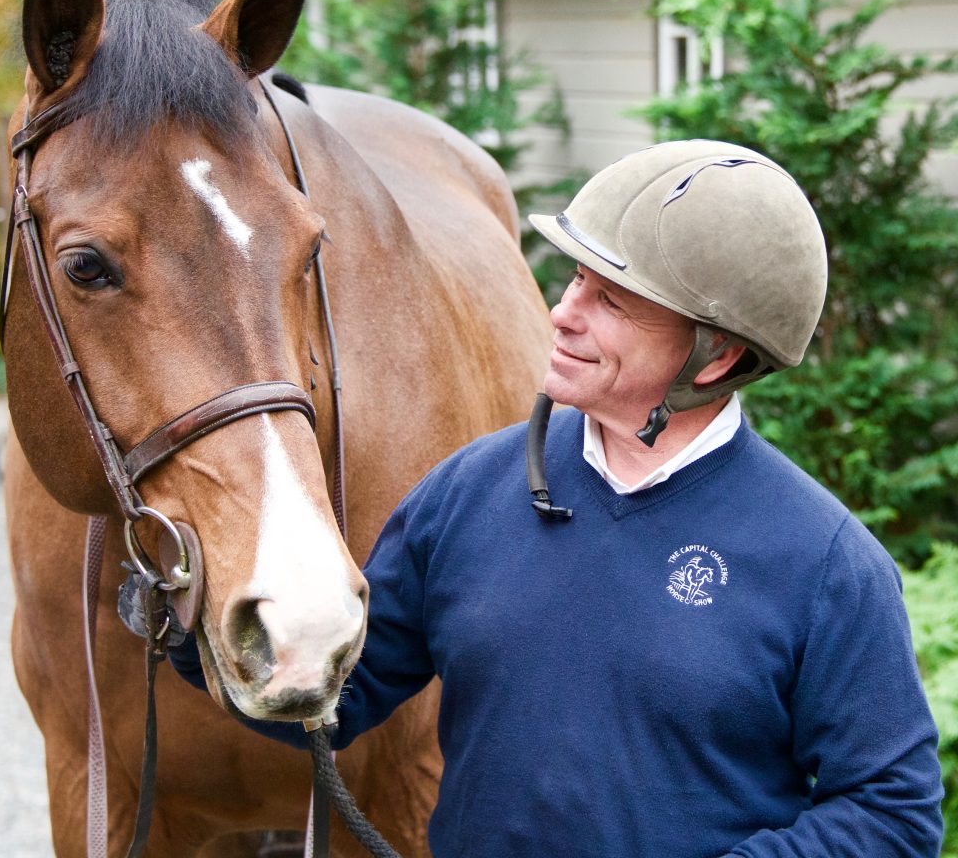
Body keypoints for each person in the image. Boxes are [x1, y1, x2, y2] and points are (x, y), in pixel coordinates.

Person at [169, 140, 943, 857]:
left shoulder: (825, 563)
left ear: (718, 357)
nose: (563, 314)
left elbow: (893, 811)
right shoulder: (468, 492)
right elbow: (342, 694)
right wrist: (185, 614)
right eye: (575, 279)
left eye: (611, 301)